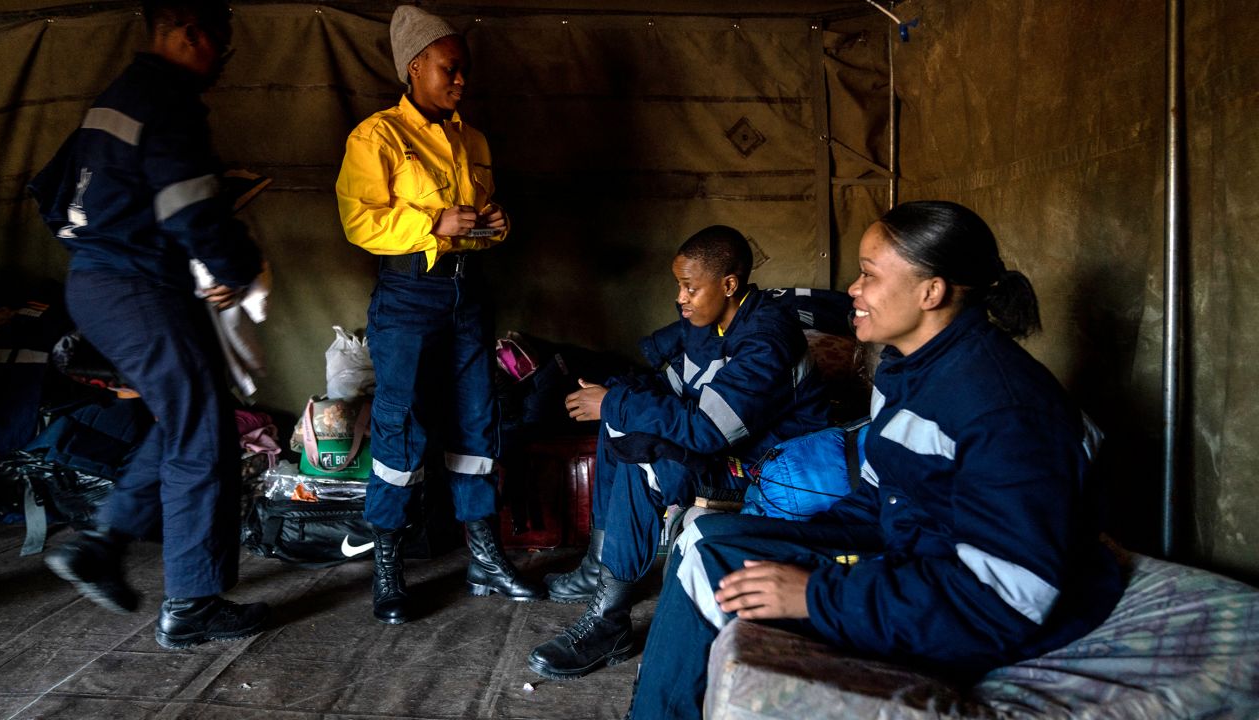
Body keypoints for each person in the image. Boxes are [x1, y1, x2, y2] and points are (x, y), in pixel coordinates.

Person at [626, 201, 1124, 718]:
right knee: (705, 537)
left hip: (962, 606)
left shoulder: (1003, 408)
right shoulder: (903, 372)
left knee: (712, 572)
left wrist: (816, 591)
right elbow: (876, 497)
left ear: (931, 291)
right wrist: (797, 545)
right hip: (911, 558)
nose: (853, 291)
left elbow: (1006, 600)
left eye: (868, 275)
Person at [28, 0, 270, 649]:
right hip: (136, 288)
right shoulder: (166, 98)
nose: (221, 62)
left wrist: (103, 241)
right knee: (201, 430)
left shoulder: (115, 96)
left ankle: (103, 545)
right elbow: (190, 210)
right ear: (192, 35)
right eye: (221, 46)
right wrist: (240, 268)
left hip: (99, 281)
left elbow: (50, 188)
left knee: (196, 417)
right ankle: (188, 603)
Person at [526, 225, 833, 680]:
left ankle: (609, 623)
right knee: (621, 426)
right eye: (679, 286)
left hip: (773, 473)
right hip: (736, 453)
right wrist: (615, 398)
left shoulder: (765, 339)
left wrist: (614, 402)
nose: (681, 298)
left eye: (690, 287)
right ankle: (600, 568)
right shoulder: (714, 323)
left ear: (729, 285)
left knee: (642, 457)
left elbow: (706, 429)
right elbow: (674, 390)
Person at [335, 5, 544, 625]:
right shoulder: (376, 137)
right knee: (401, 428)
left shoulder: (472, 140)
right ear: (414, 66)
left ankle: (483, 558)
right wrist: (431, 223)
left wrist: (494, 225)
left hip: (467, 293)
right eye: (450, 70)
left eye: (463, 73)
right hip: (408, 297)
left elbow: (474, 223)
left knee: (479, 423)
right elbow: (359, 221)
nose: (460, 82)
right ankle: (389, 571)